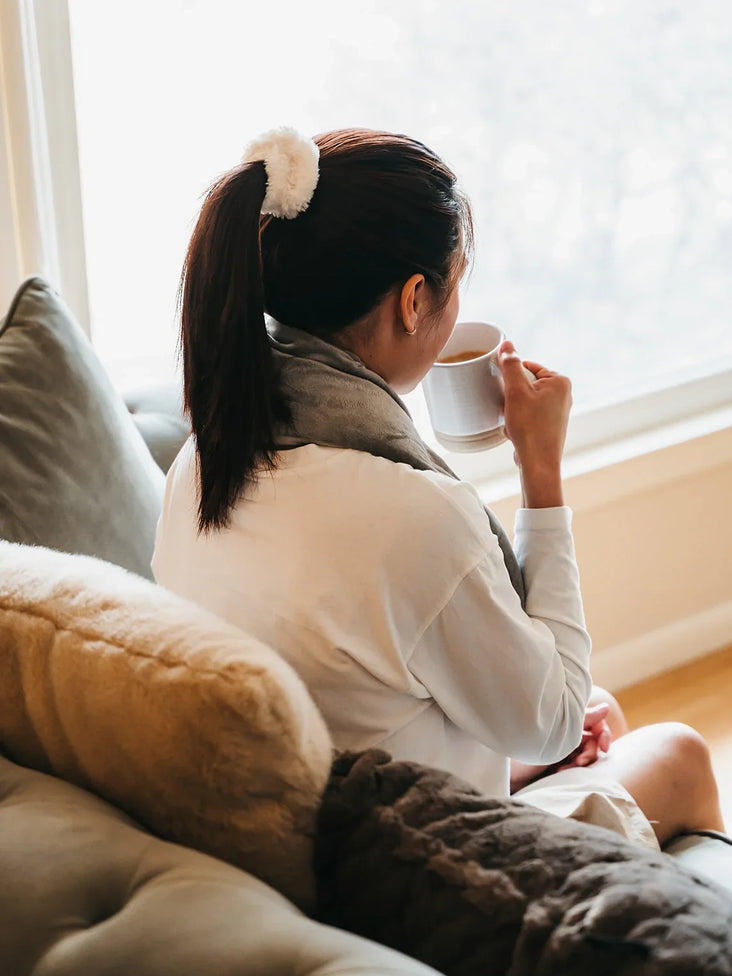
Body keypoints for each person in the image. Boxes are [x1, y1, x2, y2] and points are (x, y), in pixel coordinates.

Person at [153, 126, 725, 849]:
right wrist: (541, 471)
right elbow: (551, 717)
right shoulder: (410, 517)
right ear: (414, 301)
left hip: (298, 819)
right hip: (404, 867)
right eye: (455, 283)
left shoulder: (203, 460)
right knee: (678, 753)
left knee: (599, 713)